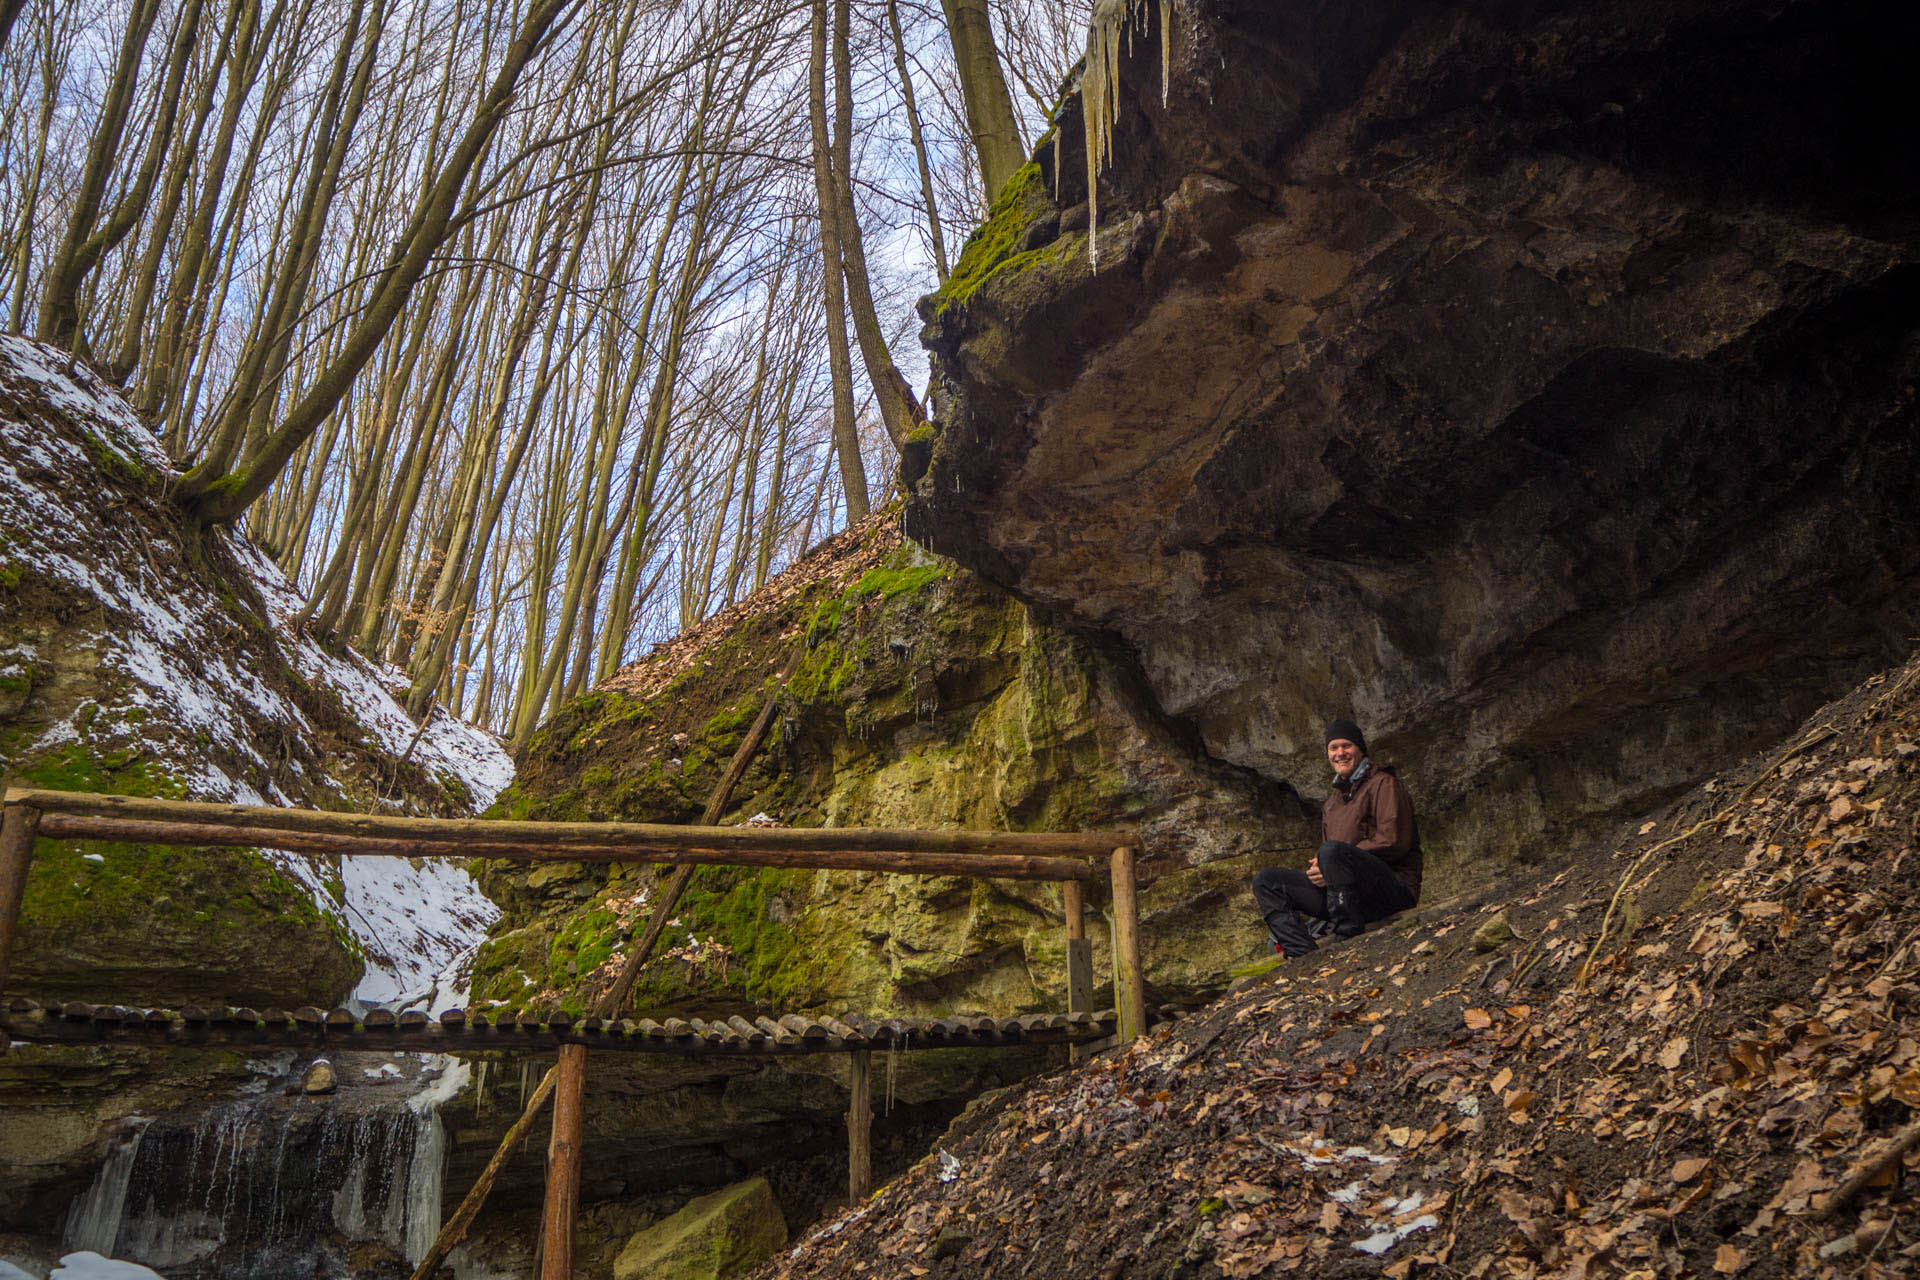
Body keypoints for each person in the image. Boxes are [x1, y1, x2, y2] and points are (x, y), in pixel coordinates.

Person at [1252, 719, 1421, 958]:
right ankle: (1302, 954)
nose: (1340, 753)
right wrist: (1321, 870)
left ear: (1360, 749)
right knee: (1266, 881)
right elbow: (1330, 855)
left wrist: (1334, 861)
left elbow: (1393, 840)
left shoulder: (1384, 784)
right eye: (1333, 748)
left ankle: (1347, 937)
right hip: (1347, 896)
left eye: (1347, 746)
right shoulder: (1332, 804)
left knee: (1331, 852)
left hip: (1391, 891)